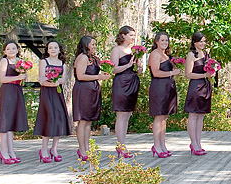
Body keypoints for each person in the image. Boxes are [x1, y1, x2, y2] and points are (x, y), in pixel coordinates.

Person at [0, 40, 28, 164]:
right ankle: (3, 152)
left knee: (11, 123)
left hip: (17, 91)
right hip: (7, 92)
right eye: (8, 49)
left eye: (13, 48)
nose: (11, 51)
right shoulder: (4, 61)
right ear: (4, 51)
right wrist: (17, 77)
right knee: (4, 123)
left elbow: (22, 79)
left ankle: (11, 152)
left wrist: (23, 77)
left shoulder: (21, 62)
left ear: (17, 50)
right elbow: (2, 79)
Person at [72, 35, 111, 161]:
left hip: (93, 90)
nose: (94, 46)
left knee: (89, 121)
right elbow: (80, 76)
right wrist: (98, 77)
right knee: (82, 121)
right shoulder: (82, 57)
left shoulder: (93, 58)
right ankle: (82, 149)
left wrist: (101, 75)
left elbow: (94, 74)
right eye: (92, 44)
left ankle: (87, 148)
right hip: (83, 90)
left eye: (95, 44)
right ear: (85, 45)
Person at [33, 40, 72, 163]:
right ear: (47, 50)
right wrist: (50, 81)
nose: (53, 49)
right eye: (50, 47)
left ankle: (54, 149)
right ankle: (44, 149)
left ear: (59, 49)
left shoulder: (63, 64)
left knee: (59, 119)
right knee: (48, 118)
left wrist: (55, 81)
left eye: (55, 47)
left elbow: (63, 80)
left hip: (58, 93)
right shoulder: (44, 62)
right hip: (46, 93)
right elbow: (41, 79)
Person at [110, 26, 141, 158]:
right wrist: (128, 65)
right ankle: (121, 146)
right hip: (121, 83)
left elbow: (139, 71)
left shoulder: (135, 51)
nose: (133, 38)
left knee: (128, 114)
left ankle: (123, 144)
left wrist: (139, 67)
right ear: (123, 36)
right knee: (121, 115)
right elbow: (113, 69)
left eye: (134, 35)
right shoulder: (117, 50)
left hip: (133, 81)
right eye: (131, 35)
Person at [148, 32, 180, 158]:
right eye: (162, 40)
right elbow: (155, 72)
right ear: (156, 41)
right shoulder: (155, 54)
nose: (165, 43)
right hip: (159, 87)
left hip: (168, 87)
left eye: (166, 40)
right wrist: (172, 73)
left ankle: (162, 144)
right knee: (159, 117)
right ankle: (156, 145)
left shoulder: (166, 55)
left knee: (164, 118)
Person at [184, 31, 215, 155]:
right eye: (200, 41)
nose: (202, 43)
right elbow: (188, 74)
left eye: (204, 41)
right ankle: (193, 143)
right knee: (193, 115)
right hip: (195, 87)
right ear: (194, 42)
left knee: (201, 116)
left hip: (205, 87)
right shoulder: (191, 55)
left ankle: (198, 142)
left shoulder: (206, 54)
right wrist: (204, 75)